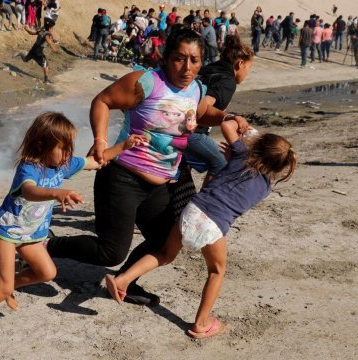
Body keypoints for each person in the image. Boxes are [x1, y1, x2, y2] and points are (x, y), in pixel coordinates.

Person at [44, 28, 251, 307]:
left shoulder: (196, 88)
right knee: (110, 252)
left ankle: (126, 282)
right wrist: (101, 141)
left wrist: (227, 115)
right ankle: (47, 245)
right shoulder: (146, 82)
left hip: (161, 182)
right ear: (166, 58)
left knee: (166, 242)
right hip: (122, 177)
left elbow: (201, 113)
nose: (187, 67)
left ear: (202, 62)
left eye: (194, 60)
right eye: (179, 58)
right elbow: (103, 101)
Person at [0, 111, 146, 351]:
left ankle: (10, 286)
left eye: (70, 148)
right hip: (8, 232)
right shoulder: (29, 168)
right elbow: (29, 191)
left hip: (32, 235)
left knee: (47, 272)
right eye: (63, 148)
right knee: (2, 288)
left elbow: (97, 161)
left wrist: (124, 146)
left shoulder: (62, 165)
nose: (68, 155)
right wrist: (57, 193)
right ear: (42, 145)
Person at [105, 120, 297, 339]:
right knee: (216, 271)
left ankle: (122, 280)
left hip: (192, 210)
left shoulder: (241, 154)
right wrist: (243, 151)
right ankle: (201, 323)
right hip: (214, 224)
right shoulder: (264, 188)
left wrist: (244, 127)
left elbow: (227, 126)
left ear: (257, 145)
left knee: (165, 254)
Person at [185, 35, 255, 186]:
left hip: (176, 125)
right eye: (249, 68)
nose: (247, 73)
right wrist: (229, 117)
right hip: (192, 132)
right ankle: (203, 204)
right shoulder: (227, 81)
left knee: (184, 169)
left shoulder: (210, 68)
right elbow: (202, 107)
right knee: (221, 164)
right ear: (240, 64)